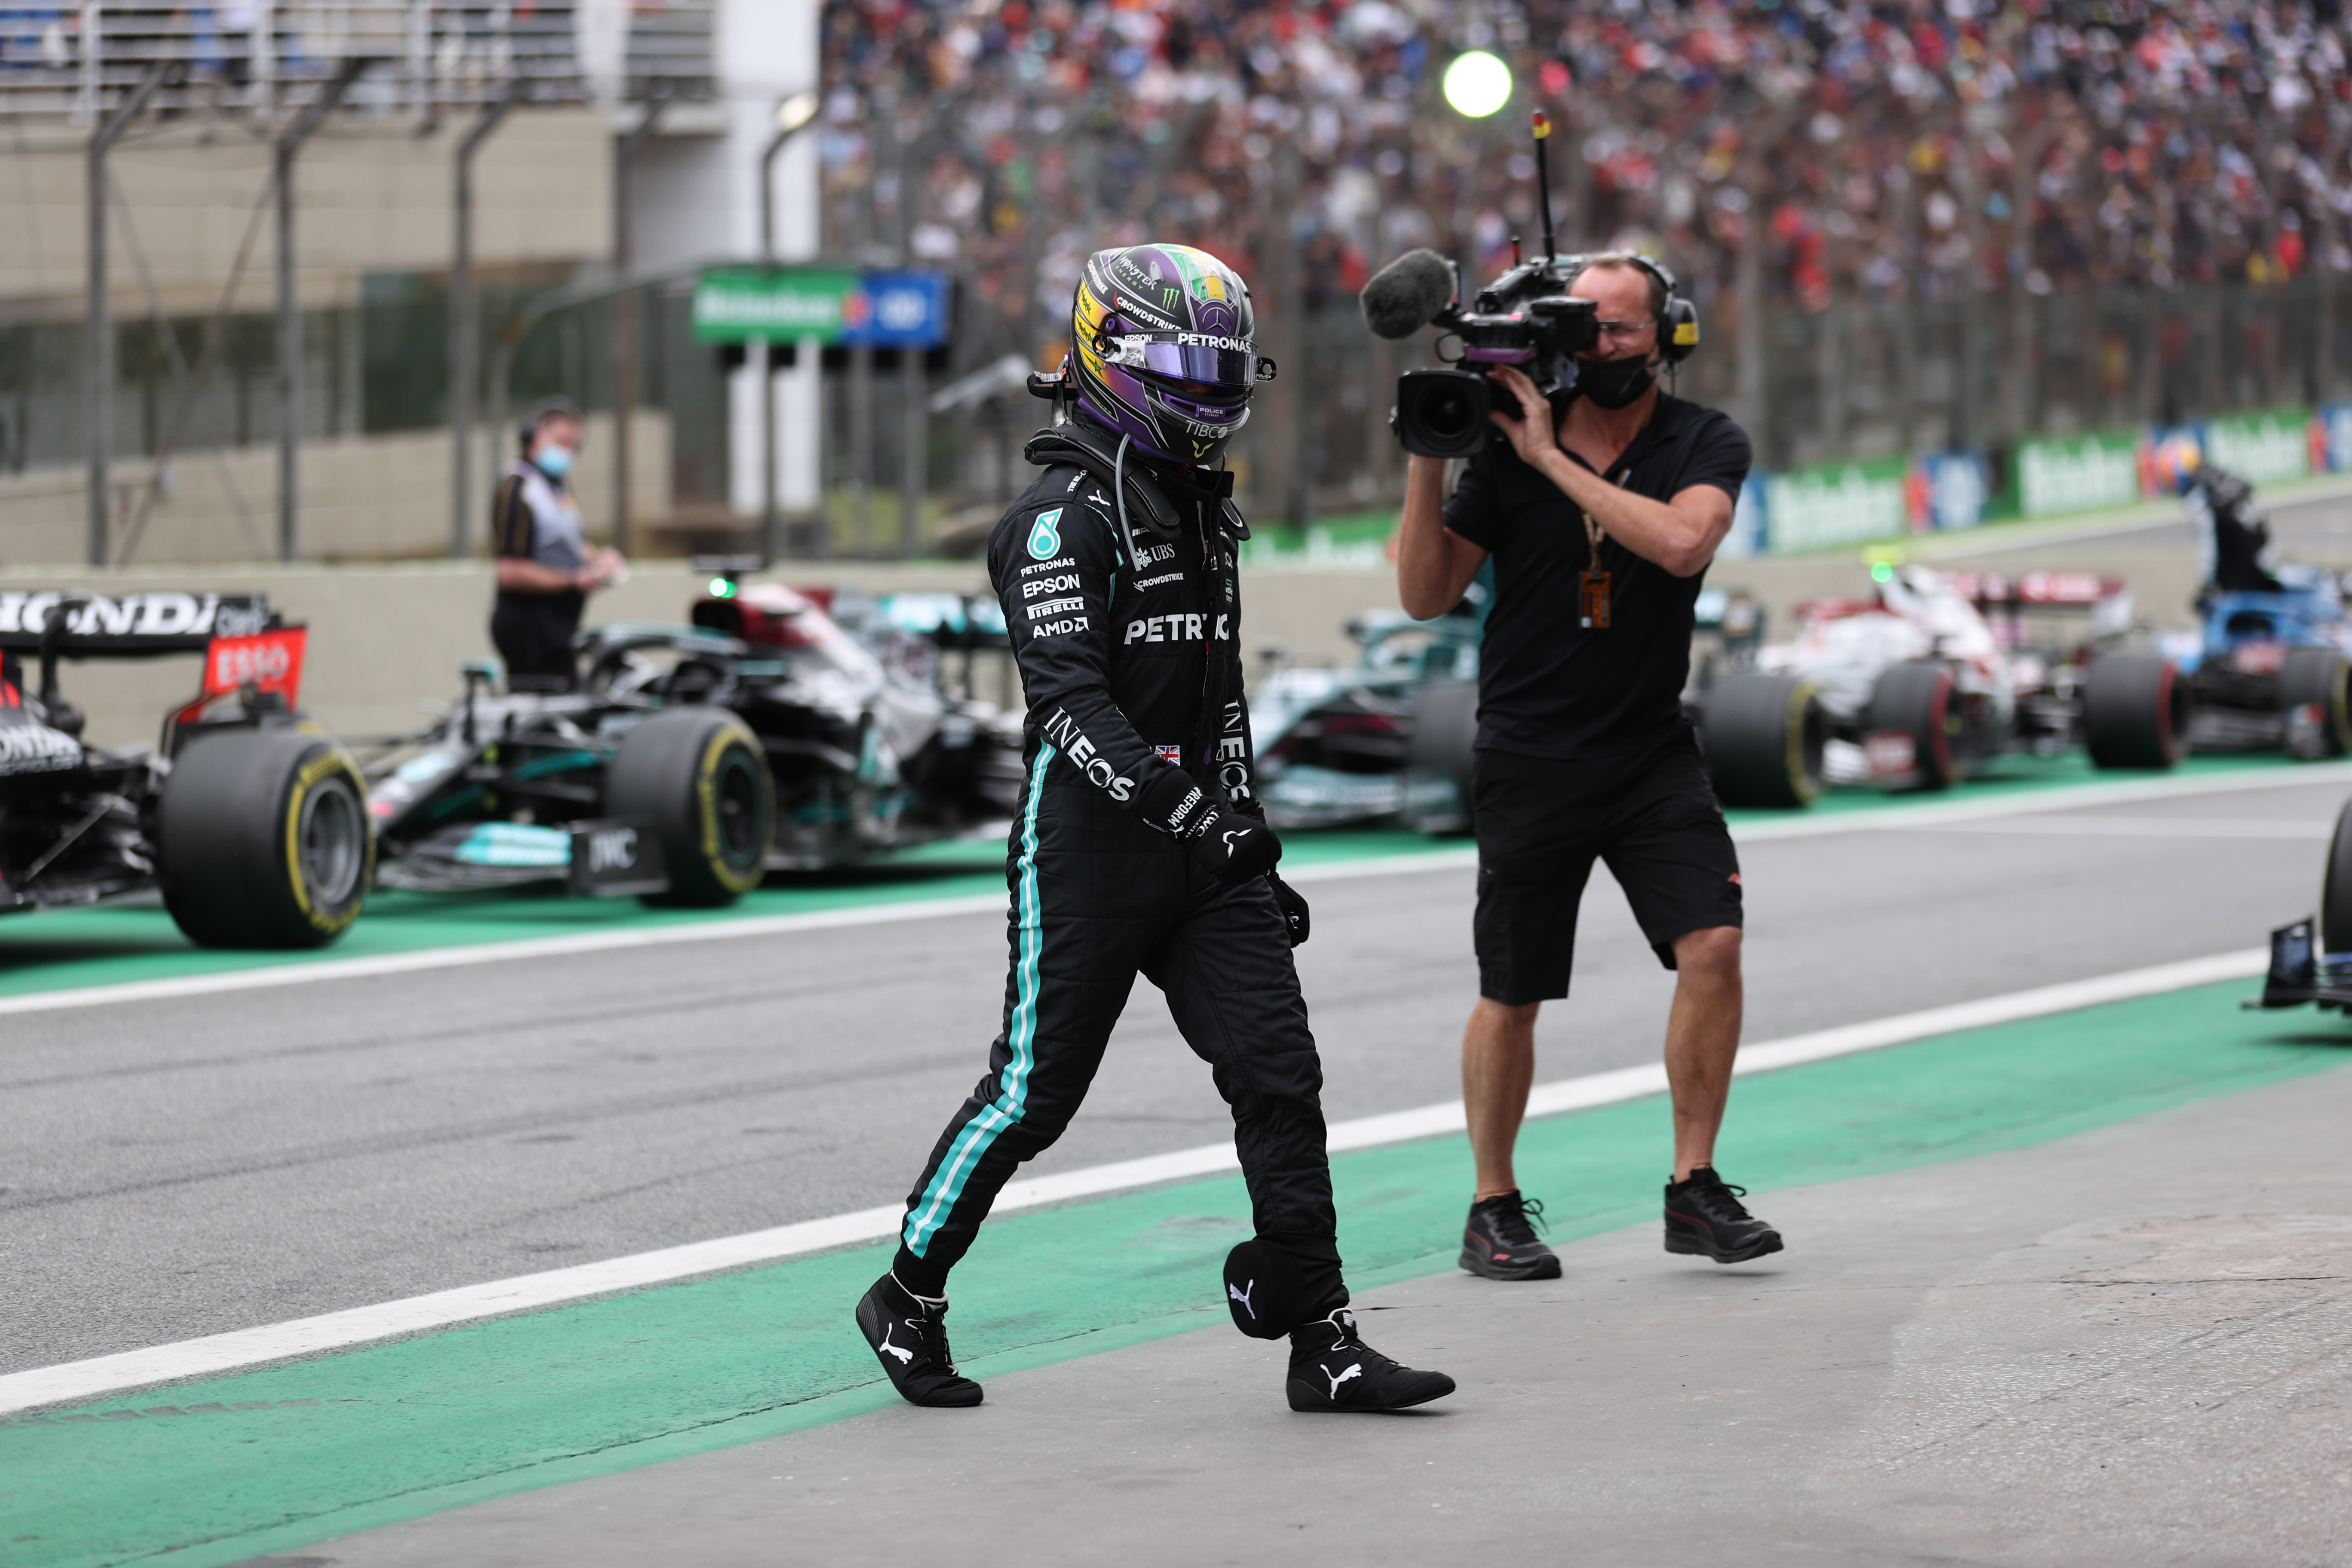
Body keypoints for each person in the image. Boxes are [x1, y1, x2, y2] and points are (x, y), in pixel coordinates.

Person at [855, 242, 1454, 1414]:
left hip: (1209, 850)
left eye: (1224, 366)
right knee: (1034, 1097)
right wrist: (1196, 815)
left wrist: (1247, 836)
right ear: (1112, 353)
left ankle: (1321, 1336)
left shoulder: (1202, 507)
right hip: (1087, 848)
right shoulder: (1049, 525)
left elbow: (1220, 695)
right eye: (1186, 364)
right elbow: (1069, 707)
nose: (1210, 388)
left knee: (1280, 1076)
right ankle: (906, 1294)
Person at [1393, 252, 1782, 1283]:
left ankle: (1693, 1187)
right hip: (1528, 754)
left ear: (1666, 335)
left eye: (1618, 328)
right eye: (1583, 328)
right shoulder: (1501, 460)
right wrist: (1431, 450)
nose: (1598, 346)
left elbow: (1681, 545)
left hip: (1650, 748)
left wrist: (1550, 459)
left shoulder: (1703, 439)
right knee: (1511, 991)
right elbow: (1424, 596)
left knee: (1713, 945)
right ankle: (1491, 1206)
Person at [489, 398, 625, 690]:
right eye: (561, 441)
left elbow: (573, 544)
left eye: (573, 445)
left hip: (558, 627)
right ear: (533, 437)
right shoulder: (518, 486)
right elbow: (510, 571)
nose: (567, 452)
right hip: (530, 629)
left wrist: (601, 560)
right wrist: (573, 581)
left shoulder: (558, 485)